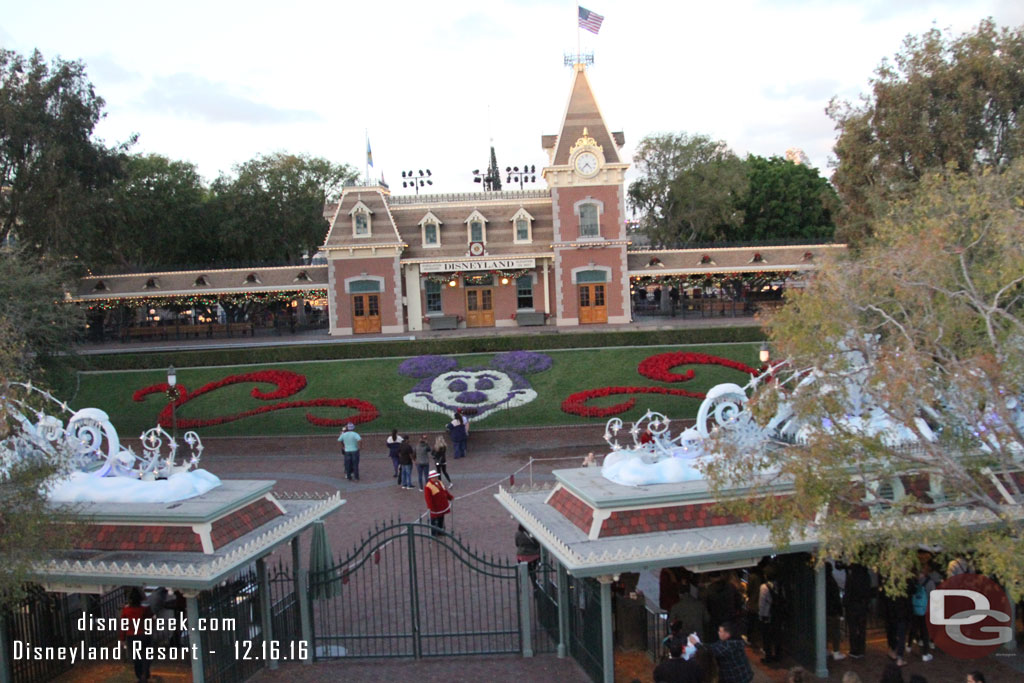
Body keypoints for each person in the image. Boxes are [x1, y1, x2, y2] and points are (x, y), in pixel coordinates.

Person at [120, 587, 154, 682]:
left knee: (136, 657)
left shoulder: (126, 611)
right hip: (144, 634)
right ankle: (145, 672)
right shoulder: (144, 609)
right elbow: (150, 620)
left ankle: (140, 675)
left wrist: (122, 639)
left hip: (132, 636)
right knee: (146, 655)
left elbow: (124, 626)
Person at [843, 563, 872, 658]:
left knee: (853, 629)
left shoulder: (851, 577)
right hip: (862, 606)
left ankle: (854, 650)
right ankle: (861, 649)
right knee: (862, 629)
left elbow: (847, 593)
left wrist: (845, 604)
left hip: (852, 606)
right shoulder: (866, 577)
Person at [424, 469, 454, 536]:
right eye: (434, 477)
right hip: (435, 507)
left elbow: (445, 491)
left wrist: (450, 497)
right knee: (434, 520)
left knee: (441, 519)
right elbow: (428, 499)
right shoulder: (428, 487)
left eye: (436, 476)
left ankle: (440, 531)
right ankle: (434, 533)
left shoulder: (440, 482)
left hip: (442, 506)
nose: (436, 478)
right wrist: (431, 508)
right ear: (431, 478)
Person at [826, 563, 846, 660]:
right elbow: (836, 599)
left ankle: (825, 650)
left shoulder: (823, 583)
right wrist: (840, 612)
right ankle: (836, 651)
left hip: (826, 611)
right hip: (833, 612)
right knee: (835, 632)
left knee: (827, 631)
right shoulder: (832, 583)